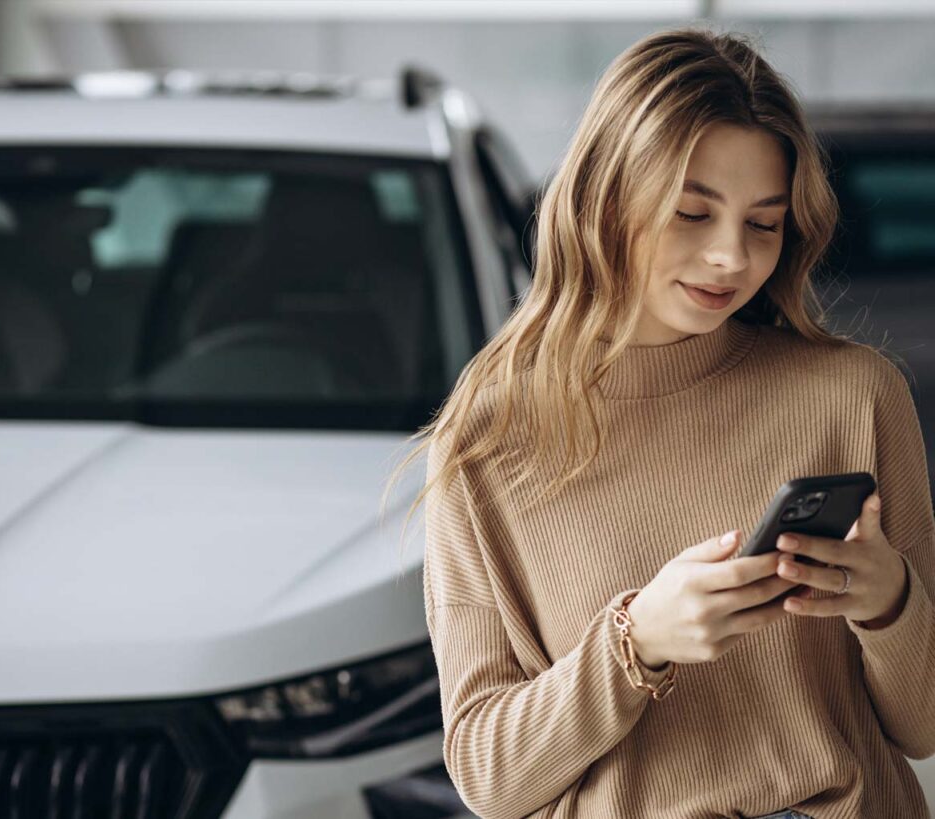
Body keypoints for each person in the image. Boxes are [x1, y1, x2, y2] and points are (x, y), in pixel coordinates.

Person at [382, 25, 935, 819]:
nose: (730, 258)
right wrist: (633, 642)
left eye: (763, 223)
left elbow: (922, 727)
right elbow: (488, 776)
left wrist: (890, 599)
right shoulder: (489, 439)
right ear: (608, 197)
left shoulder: (854, 394)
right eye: (692, 212)